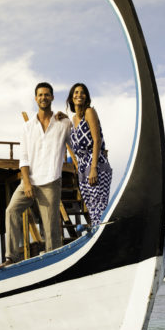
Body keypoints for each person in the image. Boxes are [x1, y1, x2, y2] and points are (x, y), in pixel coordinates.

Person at [0, 82, 72, 268]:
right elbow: (23, 158)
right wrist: (27, 182)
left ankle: (53, 259)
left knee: (51, 228)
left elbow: (76, 143)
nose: (43, 98)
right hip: (30, 180)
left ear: (52, 97)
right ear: (35, 98)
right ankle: (11, 257)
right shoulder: (27, 127)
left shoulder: (63, 123)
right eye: (40, 95)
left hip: (51, 181)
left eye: (47, 94)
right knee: (11, 210)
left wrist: (70, 117)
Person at [67, 83, 112, 226]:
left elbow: (97, 140)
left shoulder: (89, 112)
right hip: (82, 167)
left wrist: (94, 168)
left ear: (86, 96)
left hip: (95, 163)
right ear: (71, 97)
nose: (79, 95)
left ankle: (102, 235)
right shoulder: (73, 119)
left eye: (82, 92)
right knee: (91, 205)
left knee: (99, 204)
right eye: (76, 92)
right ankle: (96, 231)